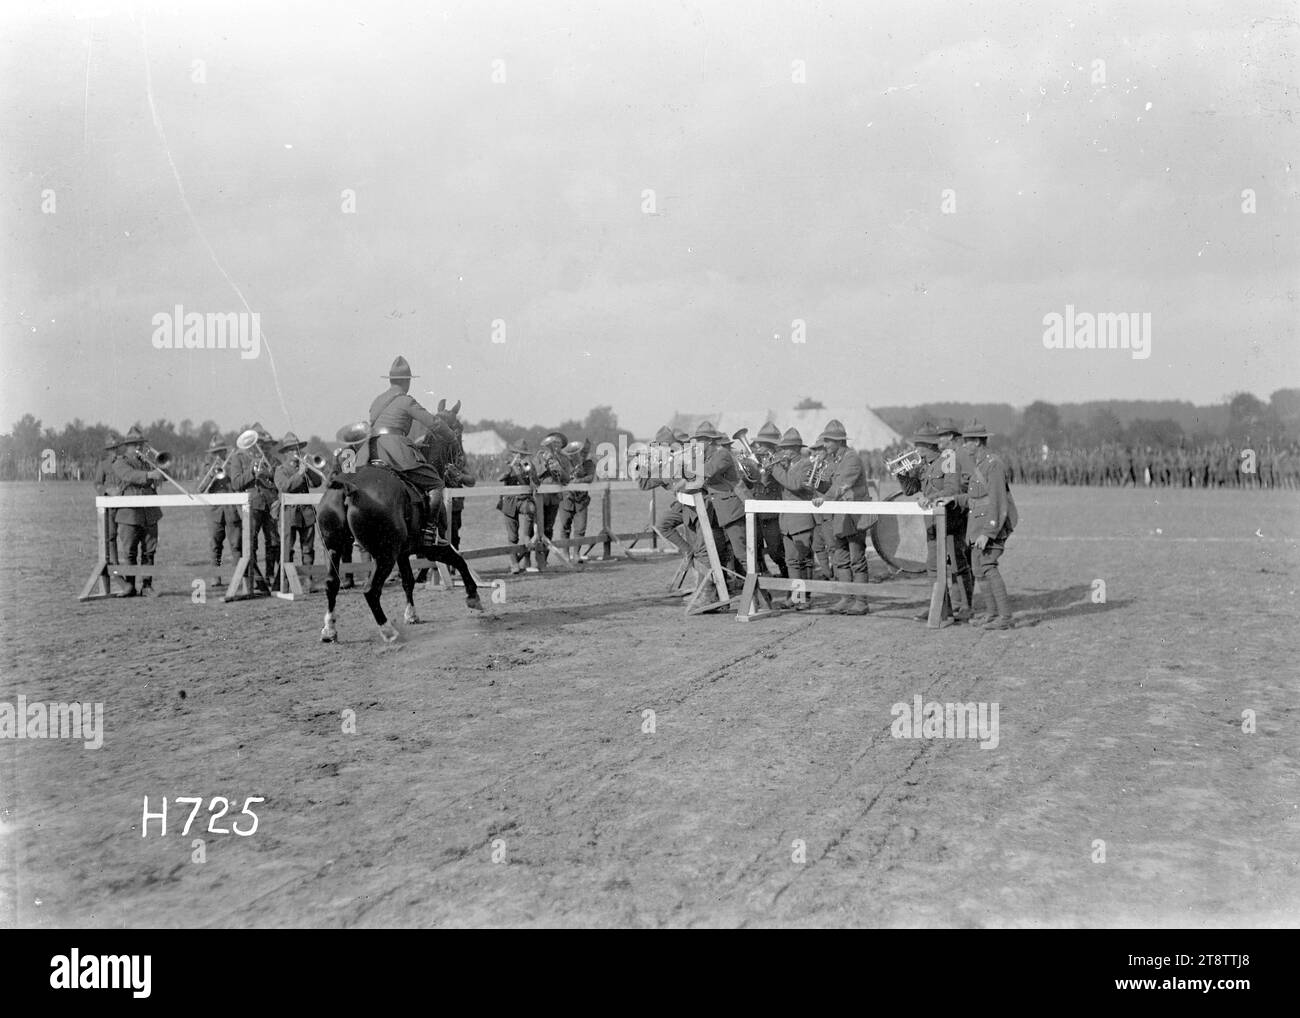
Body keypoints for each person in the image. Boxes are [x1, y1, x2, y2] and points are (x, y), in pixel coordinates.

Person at [369, 356, 451, 548]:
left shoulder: (377, 401)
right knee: (435, 483)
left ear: (390, 380)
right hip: (395, 450)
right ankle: (430, 530)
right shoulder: (406, 400)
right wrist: (450, 436)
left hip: (373, 449)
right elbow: (433, 422)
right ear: (407, 381)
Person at [959, 419, 1018, 629]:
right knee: (978, 570)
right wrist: (954, 499)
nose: (965, 445)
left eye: (968, 441)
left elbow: (997, 500)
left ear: (977, 441)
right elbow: (975, 499)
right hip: (976, 527)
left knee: (988, 567)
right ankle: (992, 614)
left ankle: (1006, 618)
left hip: (989, 528)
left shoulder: (993, 464)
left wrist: (989, 532)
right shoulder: (978, 465)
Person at [811, 419, 873, 615]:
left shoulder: (851, 458)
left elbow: (842, 486)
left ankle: (861, 602)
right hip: (841, 518)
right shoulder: (835, 460)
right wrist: (814, 482)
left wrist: (825, 498)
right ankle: (846, 599)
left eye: (828, 441)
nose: (825, 445)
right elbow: (829, 485)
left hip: (855, 517)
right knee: (841, 560)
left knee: (857, 560)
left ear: (839, 442)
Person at [912, 423, 960, 625]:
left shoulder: (947, 459)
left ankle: (952, 609)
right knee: (933, 566)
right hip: (932, 522)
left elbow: (951, 488)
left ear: (929, 445)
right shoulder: (923, 464)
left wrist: (930, 499)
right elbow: (909, 490)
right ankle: (940, 608)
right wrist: (902, 474)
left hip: (948, 520)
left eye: (920, 444)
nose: (917, 448)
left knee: (953, 566)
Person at [111, 427, 165, 598]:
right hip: (129, 513)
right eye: (136, 444)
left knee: (150, 550)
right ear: (127, 446)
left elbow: (161, 477)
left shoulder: (147, 461)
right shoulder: (120, 462)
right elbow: (129, 475)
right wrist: (151, 474)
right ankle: (130, 585)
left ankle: (147, 586)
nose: (140, 447)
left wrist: (162, 469)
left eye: (141, 444)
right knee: (130, 551)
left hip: (149, 512)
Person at [769, 427, 818, 610]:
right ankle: (796, 597)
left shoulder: (806, 464)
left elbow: (794, 484)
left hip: (801, 520)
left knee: (804, 560)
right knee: (792, 561)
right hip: (787, 522)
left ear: (796, 448)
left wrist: (775, 468)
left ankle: (805, 598)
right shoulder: (785, 466)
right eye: (782, 448)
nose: (783, 452)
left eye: (787, 448)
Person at [229, 423, 281, 592]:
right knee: (250, 544)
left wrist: (269, 472)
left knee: (274, 542)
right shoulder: (239, 458)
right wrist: (251, 472)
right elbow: (236, 483)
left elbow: (278, 480)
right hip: (251, 505)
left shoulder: (272, 460)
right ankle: (257, 581)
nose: (262, 447)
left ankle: (272, 577)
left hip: (271, 504)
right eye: (260, 443)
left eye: (265, 444)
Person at [933, 417, 975, 617]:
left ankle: (965, 606)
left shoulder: (950, 455)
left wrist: (933, 496)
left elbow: (951, 488)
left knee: (959, 561)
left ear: (950, 436)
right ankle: (960, 603)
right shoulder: (965, 452)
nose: (939, 440)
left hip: (959, 511)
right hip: (967, 510)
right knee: (961, 559)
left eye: (941, 436)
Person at [274, 432, 318, 590]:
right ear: (286, 453)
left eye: (297, 449)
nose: (296, 453)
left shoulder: (304, 466)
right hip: (289, 514)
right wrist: (300, 474)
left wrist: (309, 469)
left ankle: (309, 580)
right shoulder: (280, 470)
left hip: (306, 513)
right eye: (292, 450)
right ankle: (286, 581)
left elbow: (317, 482)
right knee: (287, 549)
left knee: (308, 549)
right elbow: (285, 487)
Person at [749, 421, 789, 580]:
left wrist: (766, 464)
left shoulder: (781, 459)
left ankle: (788, 580)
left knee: (776, 551)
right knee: (755, 549)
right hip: (757, 511)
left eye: (765, 444)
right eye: (761, 444)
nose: (761, 447)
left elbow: (766, 480)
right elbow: (750, 480)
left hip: (772, 512)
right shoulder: (757, 458)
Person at [201, 435, 242, 588]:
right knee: (215, 545)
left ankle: (238, 576)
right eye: (214, 452)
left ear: (225, 451)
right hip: (215, 512)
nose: (217, 455)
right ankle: (215, 575)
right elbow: (201, 488)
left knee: (236, 545)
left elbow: (238, 484)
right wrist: (212, 473)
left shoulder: (233, 464)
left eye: (220, 451)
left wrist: (228, 470)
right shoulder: (207, 467)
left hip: (232, 510)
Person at [92, 432, 127, 593]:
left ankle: (129, 578)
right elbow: (98, 484)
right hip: (110, 507)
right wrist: (107, 490)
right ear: (107, 450)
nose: (114, 451)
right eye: (111, 449)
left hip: (126, 505)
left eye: (116, 448)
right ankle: (117, 577)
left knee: (127, 538)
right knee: (110, 538)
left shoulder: (125, 463)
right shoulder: (103, 465)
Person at [497, 440, 537, 574]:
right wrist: (510, 468)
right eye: (518, 454)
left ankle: (526, 556)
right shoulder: (508, 465)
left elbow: (536, 482)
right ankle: (514, 563)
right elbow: (499, 478)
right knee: (512, 536)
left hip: (523, 500)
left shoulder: (528, 465)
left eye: (523, 454)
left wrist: (531, 471)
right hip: (509, 501)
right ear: (513, 453)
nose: (520, 456)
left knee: (530, 514)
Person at [557, 439, 596, 563]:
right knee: (565, 527)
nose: (578, 455)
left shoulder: (589, 463)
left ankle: (576, 554)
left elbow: (590, 478)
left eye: (579, 453)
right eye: (574, 454)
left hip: (581, 501)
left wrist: (578, 480)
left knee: (580, 528)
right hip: (566, 499)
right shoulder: (565, 463)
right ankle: (565, 554)